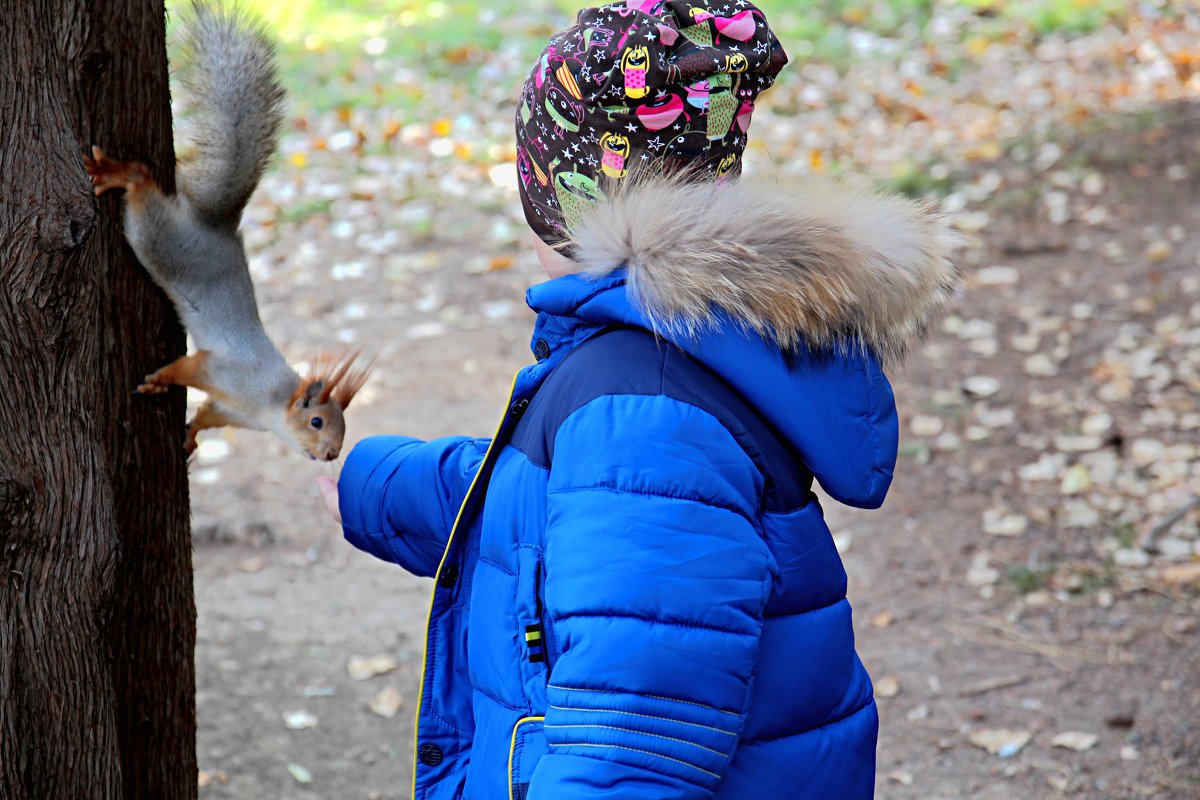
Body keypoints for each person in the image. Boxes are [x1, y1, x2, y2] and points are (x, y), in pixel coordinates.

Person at [318, 2, 955, 798]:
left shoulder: (641, 407)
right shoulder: (675, 351)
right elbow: (567, 516)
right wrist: (378, 486)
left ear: (565, 193)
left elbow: (627, 749)